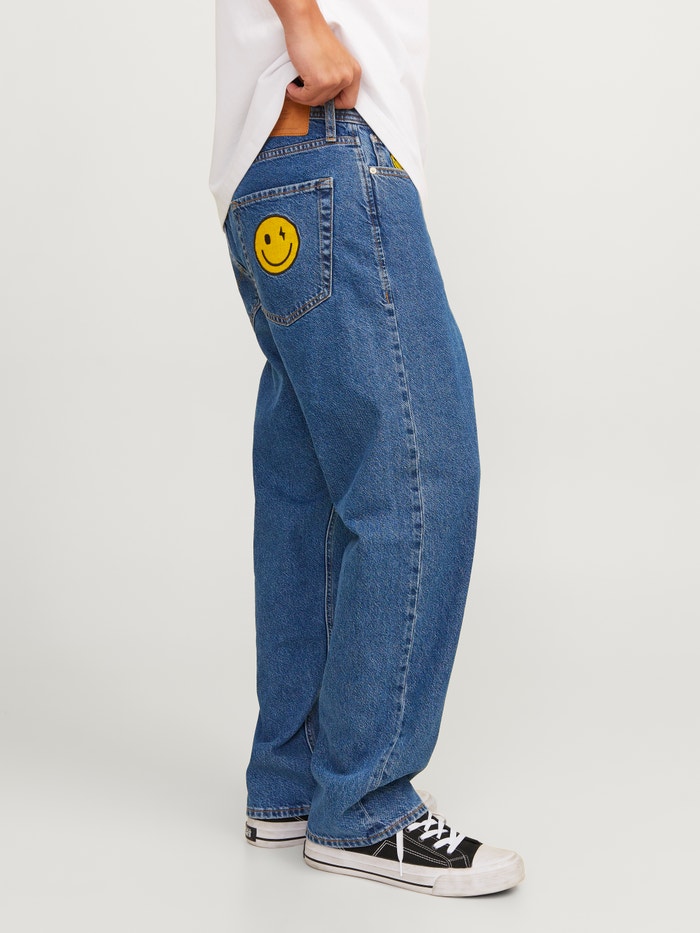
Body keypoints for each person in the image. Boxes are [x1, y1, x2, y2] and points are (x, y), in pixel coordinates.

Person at [209, 0, 524, 896]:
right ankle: (365, 799)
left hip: (278, 160)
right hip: (330, 134)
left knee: (314, 484)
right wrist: (305, 24)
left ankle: (295, 780)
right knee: (420, 474)